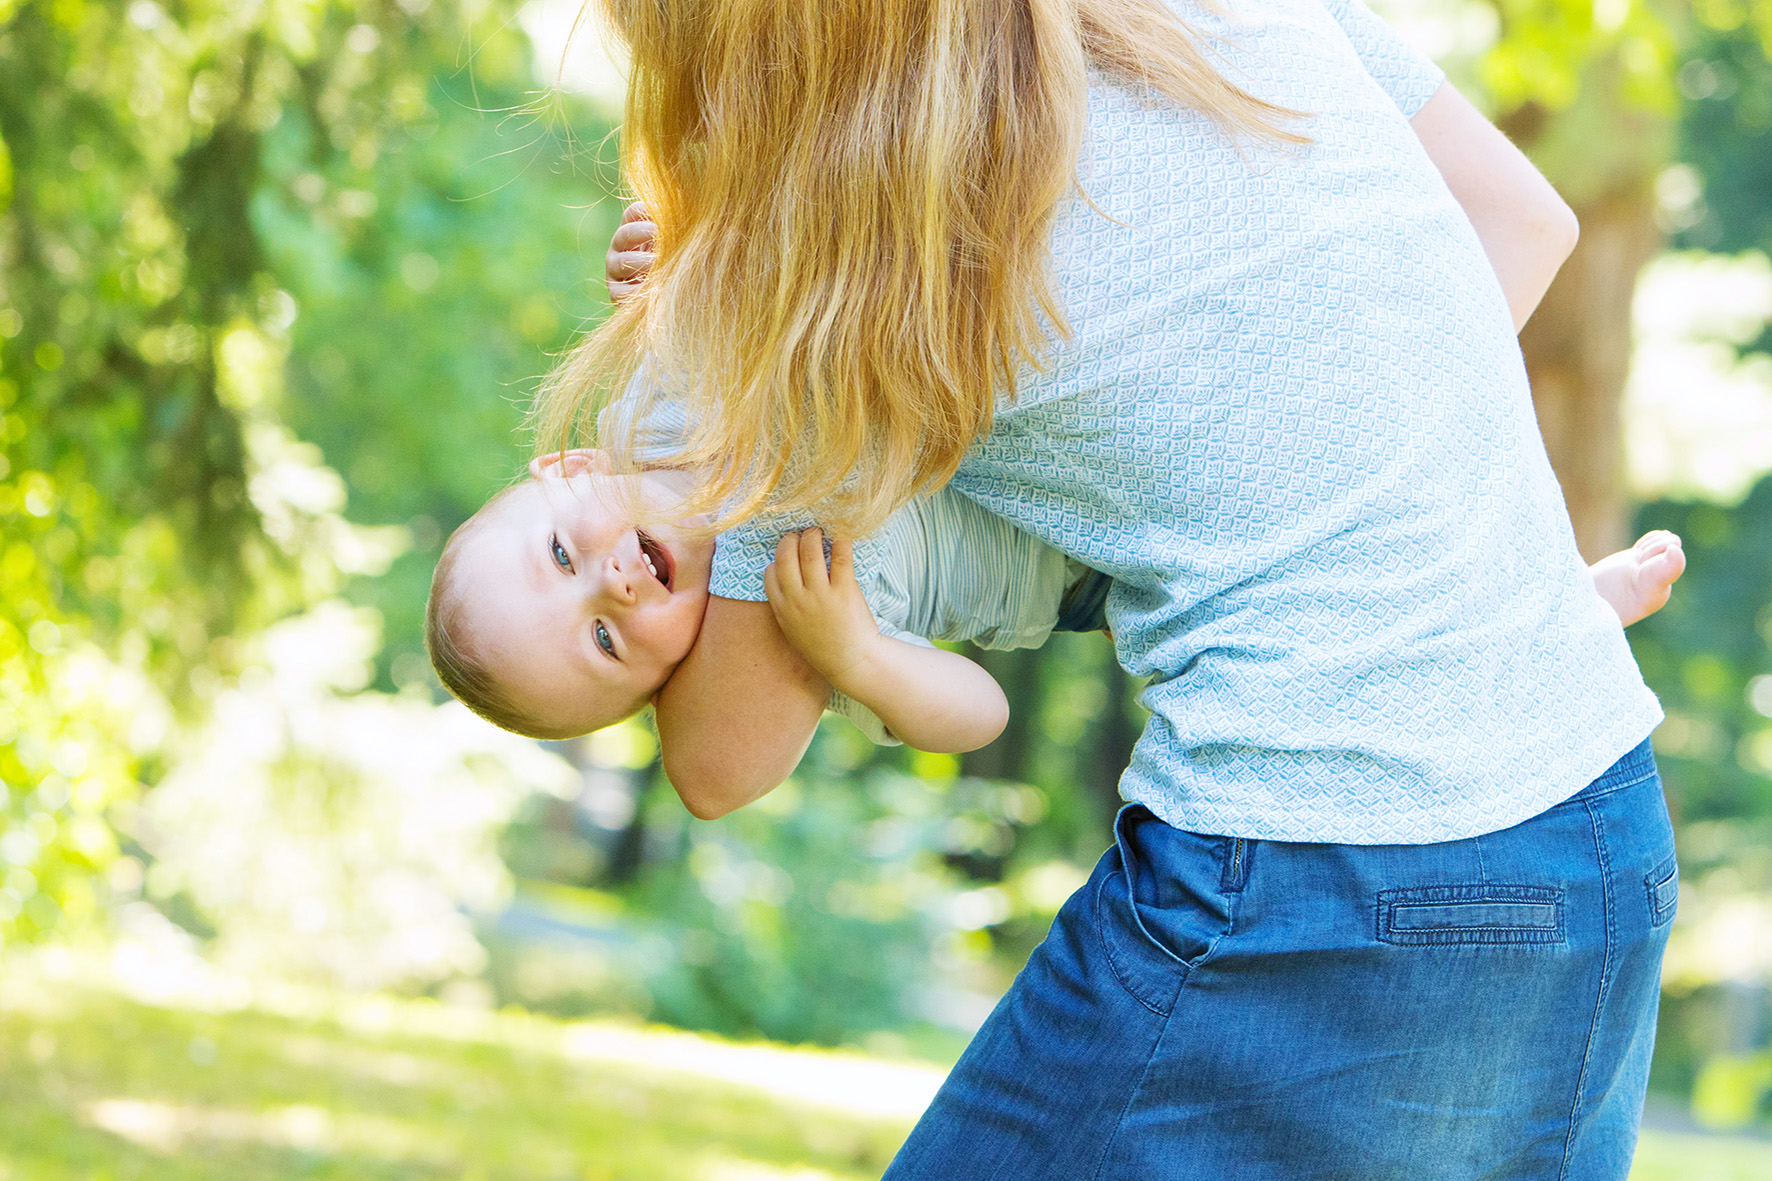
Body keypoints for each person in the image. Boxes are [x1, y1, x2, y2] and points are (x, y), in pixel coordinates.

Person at [531, 0, 1680, 1173]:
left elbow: (722, 759)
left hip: (1312, 862)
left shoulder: (829, 234)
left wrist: (705, 331)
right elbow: (1522, 220)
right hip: (1593, 822)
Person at [425, 440, 1685, 751]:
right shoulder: (778, 628)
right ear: (656, 682)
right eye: (605, 642)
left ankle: (1521, 600)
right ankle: (1541, 614)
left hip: (1067, 450)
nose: (610, 583)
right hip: (1098, 564)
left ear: (564, 468)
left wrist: (658, 256)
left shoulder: (664, 401)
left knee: (1359, 511)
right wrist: (858, 655)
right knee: (1333, 612)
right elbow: (975, 716)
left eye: (556, 552)